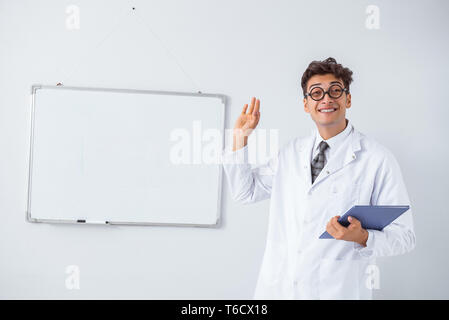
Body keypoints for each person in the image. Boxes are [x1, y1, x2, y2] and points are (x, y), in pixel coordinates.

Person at [221, 57, 416, 300]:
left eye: (335, 91)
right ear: (305, 104)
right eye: (316, 93)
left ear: (348, 99)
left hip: (337, 290)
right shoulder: (291, 153)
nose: (326, 99)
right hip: (280, 289)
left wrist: (363, 237)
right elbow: (245, 193)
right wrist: (240, 139)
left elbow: (405, 237)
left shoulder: (377, 159)